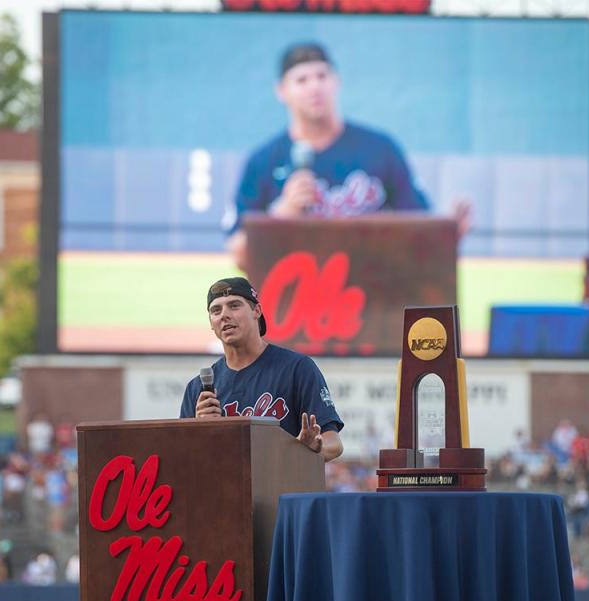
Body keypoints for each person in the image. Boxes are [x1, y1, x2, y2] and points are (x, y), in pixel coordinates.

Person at [227, 42, 469, 267]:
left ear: (336, 81)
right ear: (282, 91)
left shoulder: (379, 149)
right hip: (295, 298)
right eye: (301, 80)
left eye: (322, 76)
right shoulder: (263, 160)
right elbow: (238, 254)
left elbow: (420, 230)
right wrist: (280, 215)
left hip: (373, 292)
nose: (314, 87)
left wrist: (449, 234)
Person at [180, 277, 344, 461]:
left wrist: (311, 449)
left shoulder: (296, 368)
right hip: (224, 487)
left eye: (234, 305)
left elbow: (334, 443)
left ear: (256, 311)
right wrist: (199, 432)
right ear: (211, 323)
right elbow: (185, 460)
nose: (224, 315)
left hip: (283, 487)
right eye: (216, 310)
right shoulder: (197, 389)